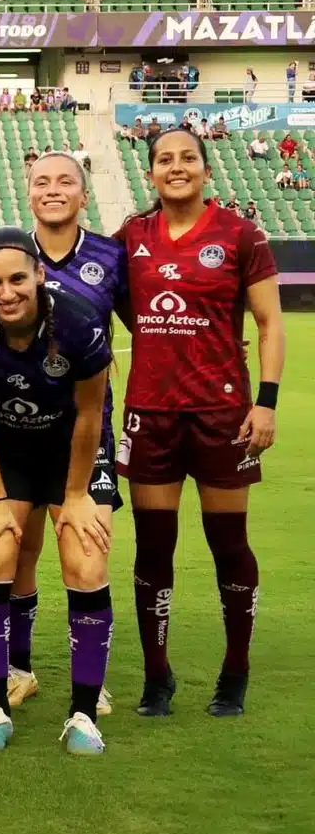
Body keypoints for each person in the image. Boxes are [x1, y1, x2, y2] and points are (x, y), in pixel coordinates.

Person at [116, 127, 283, 718]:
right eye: (165, 159)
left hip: (222, 415)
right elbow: (113, 299)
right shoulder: (133, 235)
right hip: (151, 414)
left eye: (188, 157)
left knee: (227, 543)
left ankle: (234, 673)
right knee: (153, 547)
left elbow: (269, 324)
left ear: (206, 171)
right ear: (151, 173)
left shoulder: (241, 235)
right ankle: (157, 678)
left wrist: (266, 401)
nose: (176, 166)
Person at [0, 227, 117, 756]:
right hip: (7, 452)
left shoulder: (80, 323)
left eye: (19, 278)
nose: (7, 292)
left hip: (74, 454)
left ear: (40, 275)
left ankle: (84, 715)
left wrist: (78, 494)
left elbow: (90, 416)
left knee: (86, 562)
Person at [3, 153, 123, 720]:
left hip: (86, 431)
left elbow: (145, 328)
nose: (53, 190)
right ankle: (19, 670)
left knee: (86, 553)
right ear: (29, 195)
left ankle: (90, 681)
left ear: (84, 194)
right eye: (42, 182)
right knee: (18, 551)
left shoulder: (109, 255)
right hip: (16, 431)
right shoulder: (8, 259)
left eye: (65, 181)